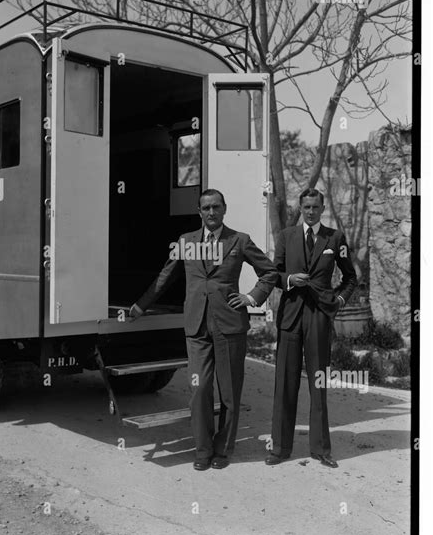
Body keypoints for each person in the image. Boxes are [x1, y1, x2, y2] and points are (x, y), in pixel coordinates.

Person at [130, 189, 278, 470]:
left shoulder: (239, 240)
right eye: (206, 208)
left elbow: (269, 272)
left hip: (230, 326)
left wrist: (251, 297)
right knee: (199, 390)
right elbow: (166, 275)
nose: (211, 212)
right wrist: (141, 306)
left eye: (216, 207)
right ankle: (203, 449)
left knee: (230, 394)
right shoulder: (185, 241)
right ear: (199, 212)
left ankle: (223, 450)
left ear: (225, 209)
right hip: (196, 328)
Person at [266, 188, 357, 468]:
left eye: (315, 207)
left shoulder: (335, 238)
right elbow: (274, 274)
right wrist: (290, 279)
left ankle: (321, 450)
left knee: (318, 384)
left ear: (323, 207)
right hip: (291, 316)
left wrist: (338, 301)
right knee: (285, 383)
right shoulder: (286, 236)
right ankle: (280, 448)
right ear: (300, 207)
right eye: (306, 207)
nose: (310, 211)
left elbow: (350, 278)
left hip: (319, 316)